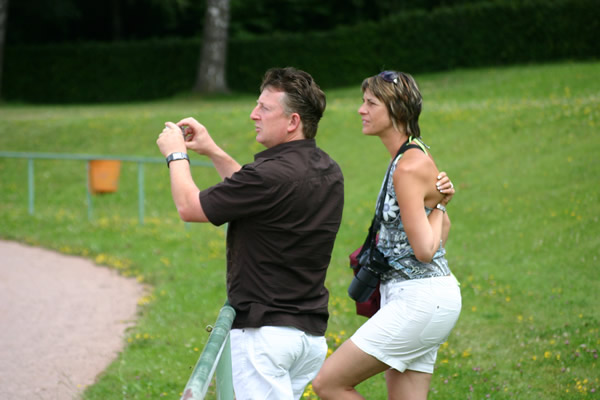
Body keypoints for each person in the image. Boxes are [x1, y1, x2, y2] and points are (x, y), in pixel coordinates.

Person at [156, 67, 344, 400]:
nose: (253, 114)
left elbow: (189, 207)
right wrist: (213, 150)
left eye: (264, 108)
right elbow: (254, 193)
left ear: (293, 121)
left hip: (264, 340)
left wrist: (176, 154)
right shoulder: (328, 169)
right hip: (308, 338)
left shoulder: (268, 176)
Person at [312, 70, 461, 400]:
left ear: (396, 110)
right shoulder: (413, 154)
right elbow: (443, 229)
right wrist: (440, 208)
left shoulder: (408, 166)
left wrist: (440, 206)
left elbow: (425, 250)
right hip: (423, 297)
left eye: (370, 103)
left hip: (419, 300)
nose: (361, 109)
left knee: (328, 383)